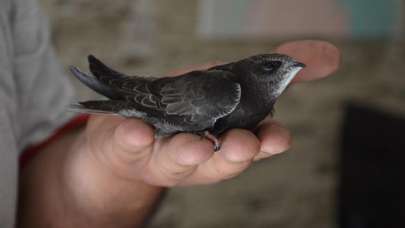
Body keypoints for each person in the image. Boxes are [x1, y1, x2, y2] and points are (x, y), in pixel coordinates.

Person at [0, 0, 340, 227]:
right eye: (272, 67)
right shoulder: (227, 91)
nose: (287, 70)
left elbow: (34, 154)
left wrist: (114, 173)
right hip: (161, 102)